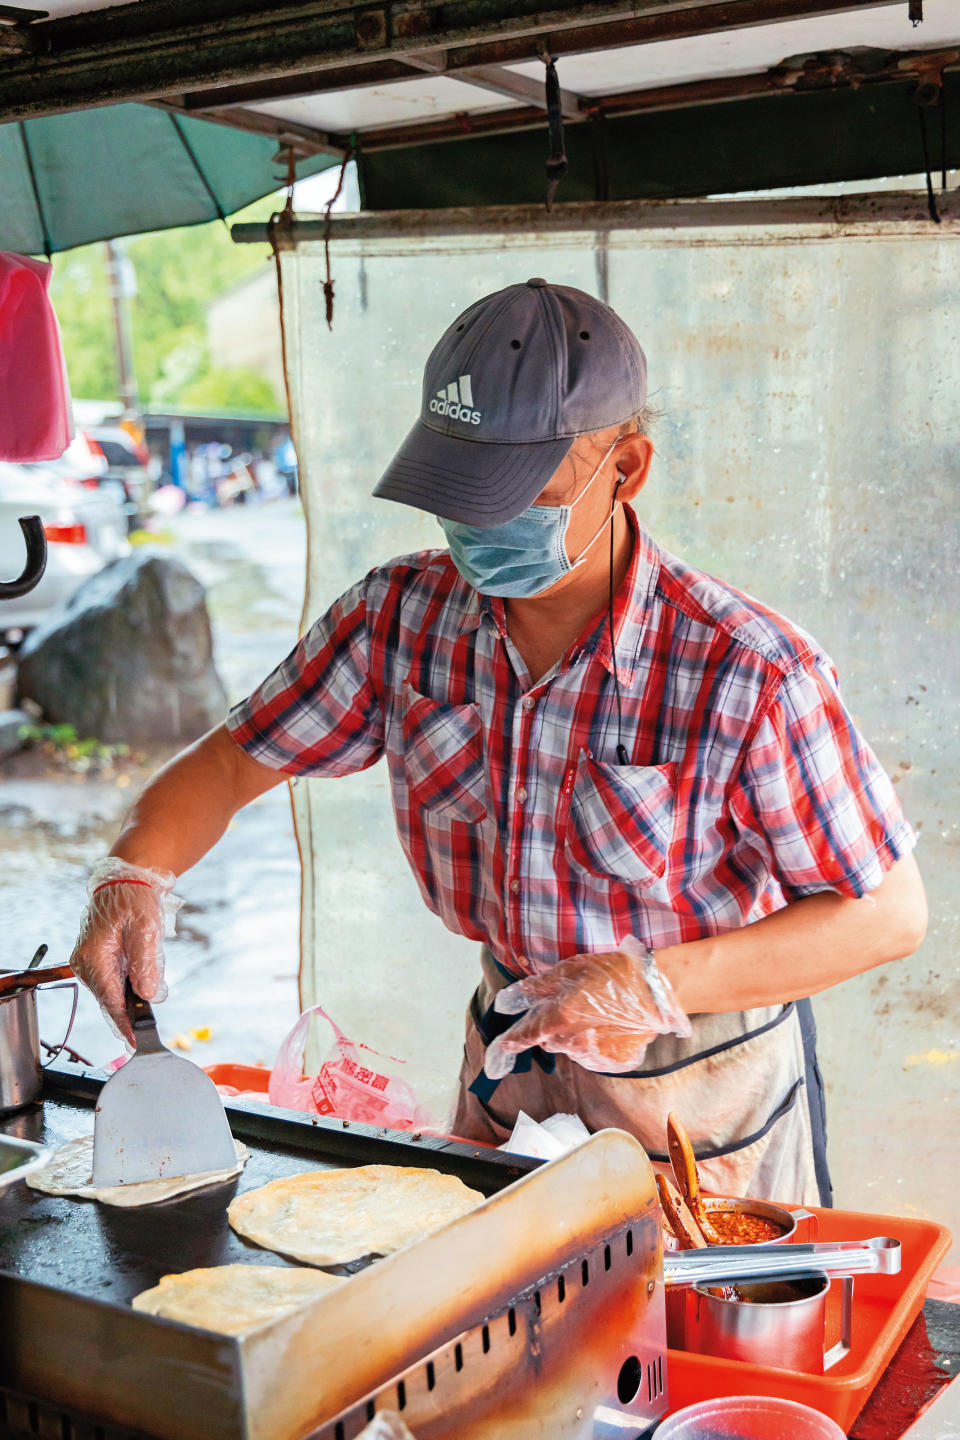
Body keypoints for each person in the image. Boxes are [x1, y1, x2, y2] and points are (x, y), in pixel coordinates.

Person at [70, 279, 927, 1206]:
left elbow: (886, 914)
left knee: (689, 1335)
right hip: (511, 1052)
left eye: (519, 493)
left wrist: (650, 983)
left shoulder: (749, 673)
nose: (479, 525)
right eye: (457, 491)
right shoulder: (399, 618)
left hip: (696, 1082)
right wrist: (133, 872)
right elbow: (237, 759)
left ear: (627, 468)